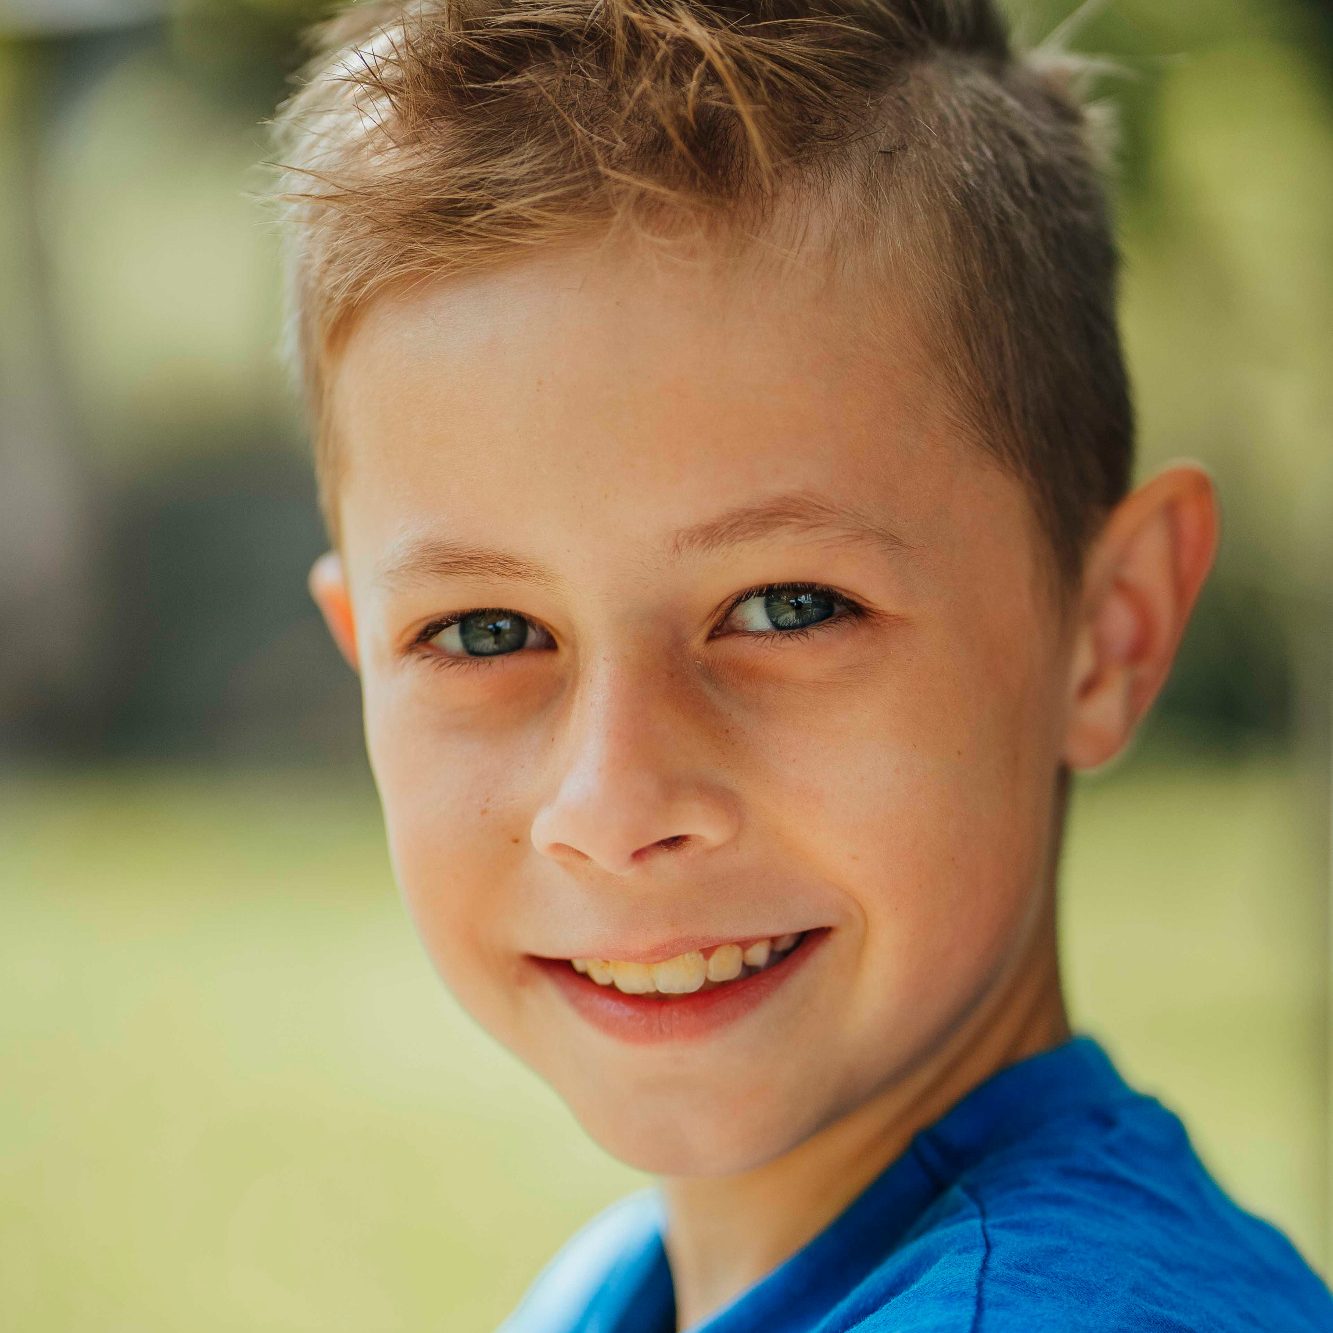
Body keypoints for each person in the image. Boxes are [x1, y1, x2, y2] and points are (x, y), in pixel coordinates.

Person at [263, 0, 1333, 1328]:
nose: (611, 802)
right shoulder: (615, 1286)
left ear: (1106, 630)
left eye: (782, 606)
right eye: (484, 633)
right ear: (365, 657)